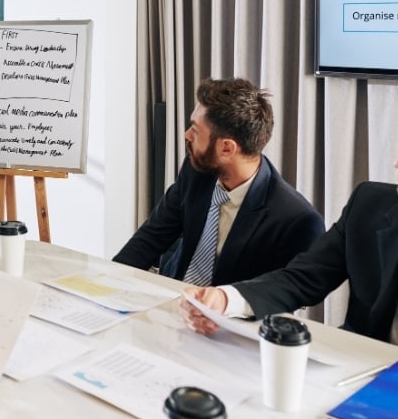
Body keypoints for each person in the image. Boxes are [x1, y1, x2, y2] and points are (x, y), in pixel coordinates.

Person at [113, 77, 325, 286]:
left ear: (227, 148)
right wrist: (108, 284)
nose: (187, 135)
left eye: (195, 130)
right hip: (172, 295)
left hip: (230, 317)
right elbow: (151, 237)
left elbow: (284, 297)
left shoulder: (298, 221)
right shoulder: (197, 169)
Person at [180, 159, 398, 344]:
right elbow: (303, 277)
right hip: (361, 368)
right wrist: (225, 299)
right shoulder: (368, 203)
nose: (395, 164)